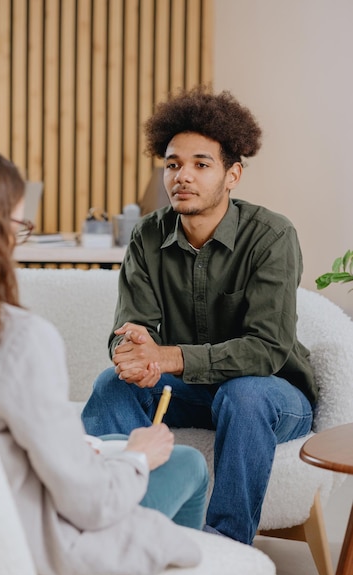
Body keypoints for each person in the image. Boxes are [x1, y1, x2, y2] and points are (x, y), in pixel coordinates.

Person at [0, 142, 209, 575]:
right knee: (187, 464)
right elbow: (88, 503)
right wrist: (137, 459)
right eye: (18, 226)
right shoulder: (15, 339)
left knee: (110, 442)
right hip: (28, 547)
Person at [81, 86, 318, 545]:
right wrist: (132, 354)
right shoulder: (148, 236)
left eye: (200, 164)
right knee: (111, 384)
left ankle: (224, 551)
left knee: (243, 394)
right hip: (191, 393)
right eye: (172, 165)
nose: (181, 177)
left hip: (273, 396)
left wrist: (167, 357)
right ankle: (104, 527)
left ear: (233, 175)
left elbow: (267, 349)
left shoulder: (271, 236)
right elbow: (130, 329)